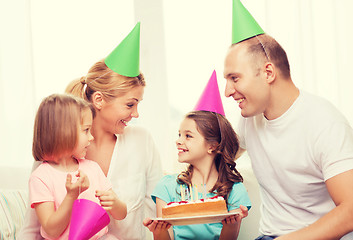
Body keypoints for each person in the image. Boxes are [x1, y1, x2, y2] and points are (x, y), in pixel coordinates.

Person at [19, 22, 163, 240]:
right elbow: (34, 227)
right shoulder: (55, 150)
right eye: (130, 104)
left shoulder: (142, 141)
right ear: (99, 100)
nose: (136, 114)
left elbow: (155, 212)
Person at [223, 0, 353, 239]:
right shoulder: (250, 120)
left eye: (234, 78)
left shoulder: (326, 124)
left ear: (268, 73)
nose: (227, 91)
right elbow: (219, 157)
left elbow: (350, 211)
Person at [144, 71, 251, 240]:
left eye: (188, 136)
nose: (178, 141)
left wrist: (232, 225)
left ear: (212, 146)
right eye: (179, 134)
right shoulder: (168, 187)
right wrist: (159, 232)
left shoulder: (234, 191)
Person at [29, 93, 126, 240]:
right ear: (63, 132)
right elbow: (51, 230)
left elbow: (121, 214)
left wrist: (115, 203)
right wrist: (71, 196)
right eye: (86, 130)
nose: (91, 137)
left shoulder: (92, 168)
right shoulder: (40, 177)